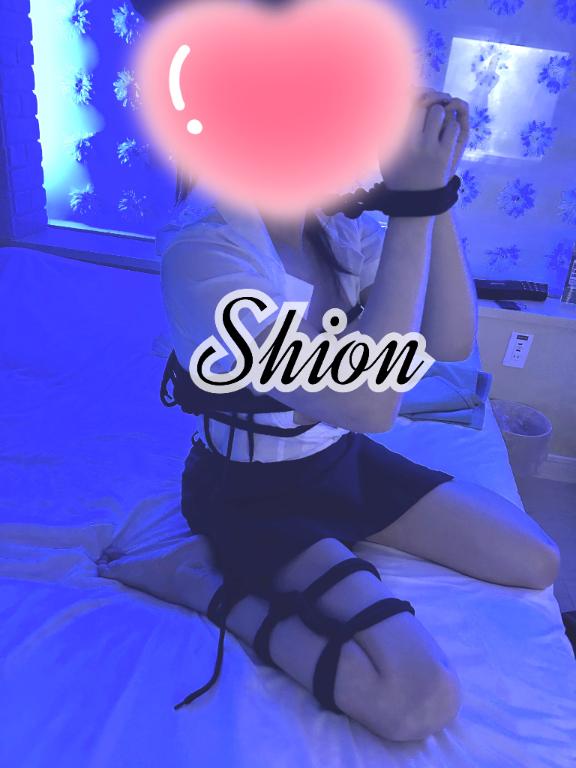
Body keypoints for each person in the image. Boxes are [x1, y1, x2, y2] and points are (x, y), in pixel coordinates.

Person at [124, 0, 561, 743]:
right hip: (253, 495)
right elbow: (368, 404)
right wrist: (412, 205)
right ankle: (198, 583)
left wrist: (434, 191)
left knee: (537, 560)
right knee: (417, 699)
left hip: (339, 462)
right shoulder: (205, 253)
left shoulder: (334, 230)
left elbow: (451, 341)